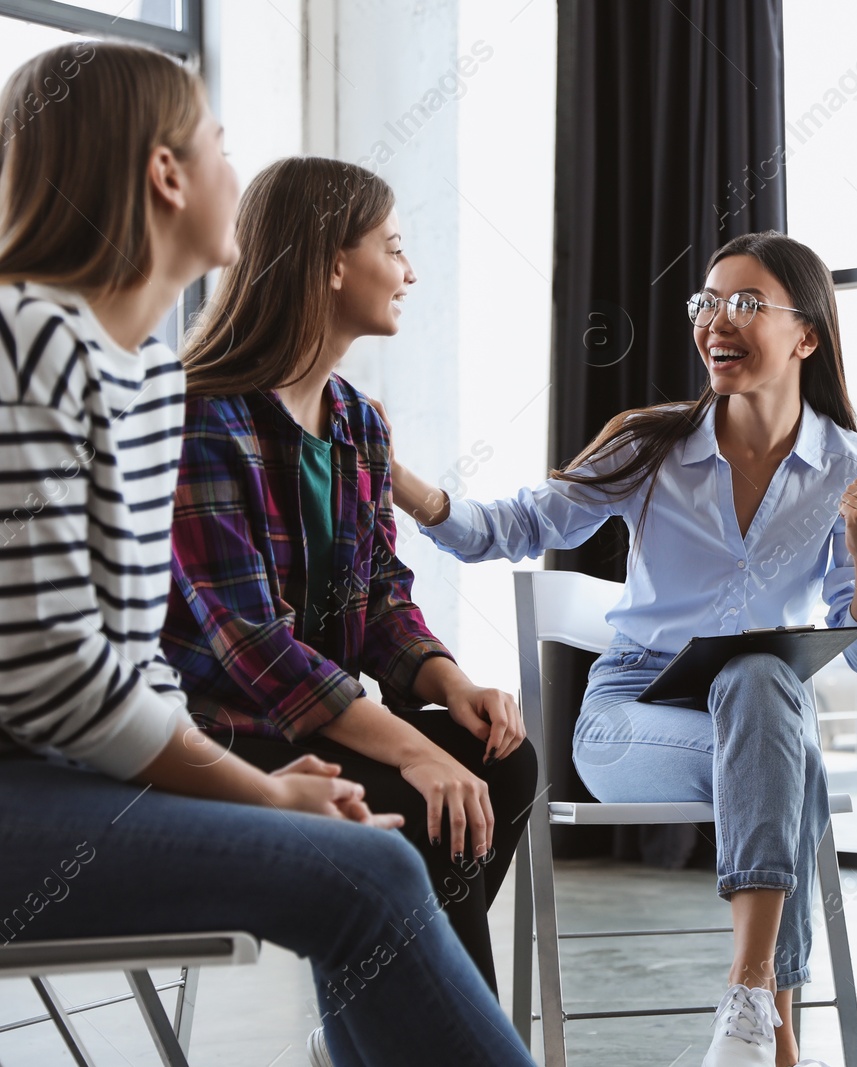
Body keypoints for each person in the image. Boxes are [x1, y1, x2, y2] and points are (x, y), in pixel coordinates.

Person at [0, 41, 535, 1067]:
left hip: (88, 765)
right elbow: (59, 673)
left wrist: (436, 689)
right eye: (220, 145)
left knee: (448, 795)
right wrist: (262, 790)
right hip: (50, 777)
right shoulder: (33, 339)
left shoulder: (142, 377)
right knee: (367, 867)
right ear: (165, 174)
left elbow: (127, 661)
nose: (236, 182)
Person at [387, 230, 857, 1067]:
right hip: (632, 717)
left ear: (806, 335)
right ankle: (774, 1029)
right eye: (705, 302)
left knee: (766, 683)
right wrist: (398, 477)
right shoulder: (651, 443)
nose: (713, 321)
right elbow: (509, 527)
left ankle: (747, 1004)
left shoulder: (848, 465)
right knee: (788, 748)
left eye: (744, 302)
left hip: (760, 720)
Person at [162, 157, 538, 994]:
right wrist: (413, 746)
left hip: (319, 722)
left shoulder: (358, 421)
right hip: (225, 734)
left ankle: (396, 1020)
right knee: (421, 802)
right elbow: (251, 648)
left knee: (502, 761)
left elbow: (382, 601)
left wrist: (451, 682)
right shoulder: (204, 417)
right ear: (332, 263)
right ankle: (439, 1036)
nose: (410, 272)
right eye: (395, 247)